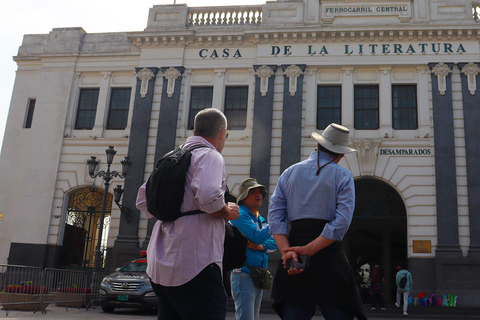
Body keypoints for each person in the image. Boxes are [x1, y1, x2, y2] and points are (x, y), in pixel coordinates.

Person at [136, 108, 239, 320]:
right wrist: (227, 211)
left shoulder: (170, 157)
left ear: (194, 130)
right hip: (196, 261)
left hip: (161, 263)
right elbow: (209, 197)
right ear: (222, 132)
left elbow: (142, 200)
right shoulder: (210, 155)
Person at [268, 123, 366, 320]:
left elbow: (275, 216)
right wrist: (309, 250)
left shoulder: (289, 173)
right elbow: (341, 222)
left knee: (295, 314)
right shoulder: (343, 175)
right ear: (341, 155)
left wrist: (288, 254)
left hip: (293, 250)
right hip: (328, 252)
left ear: (318, 146)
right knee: (339, 313)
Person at [229, 178, 278, 320]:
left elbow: (274, 243)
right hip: (244, 274)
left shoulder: (259, 218)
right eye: (253, 192)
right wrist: (274, 223)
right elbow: (257, 236)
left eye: (260, 192)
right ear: (244, 196)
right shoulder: (239, 214)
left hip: (256, 274)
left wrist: (261, 246)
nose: (259, 195)